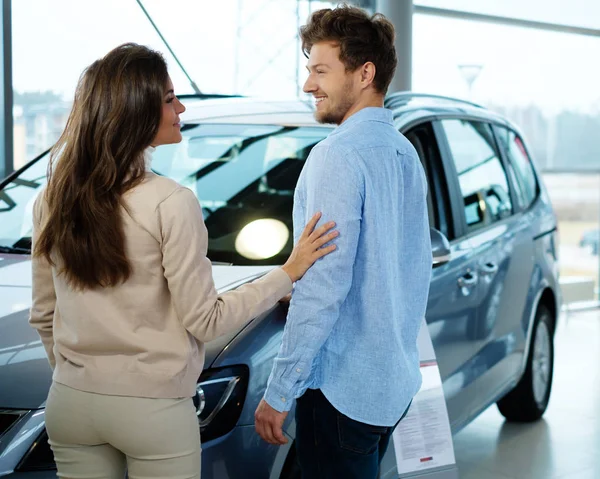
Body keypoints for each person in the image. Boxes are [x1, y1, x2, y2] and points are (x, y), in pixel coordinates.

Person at [28, 43, 338, 479]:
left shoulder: (51, 200)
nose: (182, 107)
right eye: (170, 97)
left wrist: (82, 380)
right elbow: (206, 321)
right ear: (137, 111)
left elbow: (44, 315)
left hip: (70, 403)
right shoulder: (171, 202)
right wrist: (286, 274)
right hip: (152, 411)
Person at [254, 5, 432, 478]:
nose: (309, 84)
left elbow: (324, 285)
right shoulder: (403, 152)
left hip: (341, 389)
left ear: (364, 72)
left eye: (320, 70)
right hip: (389, 386)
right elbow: (408, 265)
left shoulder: (336, 156)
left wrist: (278, 392)